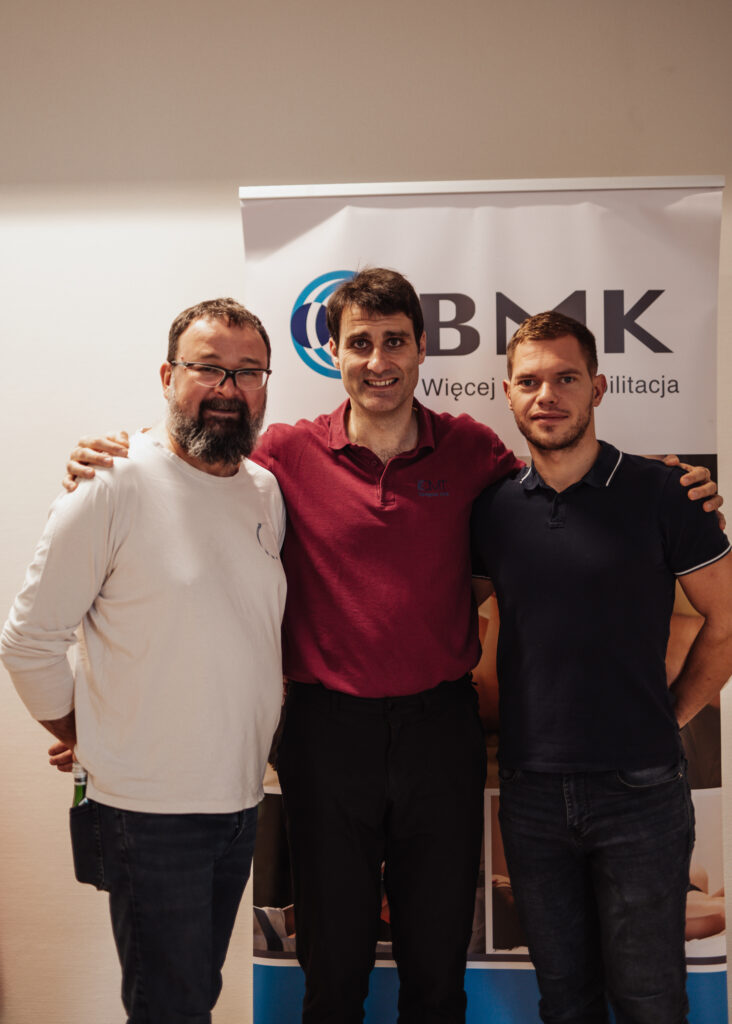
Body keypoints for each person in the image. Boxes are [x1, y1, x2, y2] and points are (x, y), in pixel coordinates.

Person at [61, 271, 721, 1024]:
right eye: (361, 343)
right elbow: (194, 469)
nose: (379, 360)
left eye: (395, 342)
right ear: (333, 354)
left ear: (421, 351)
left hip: (440, 729)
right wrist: (115, 453)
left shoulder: (472, 452)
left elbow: (566, 485)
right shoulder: (282, 454)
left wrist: (674, 483)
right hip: (325, 732)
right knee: (333, 970)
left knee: (437, 968)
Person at [1, 298, 287, 1024]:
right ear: (167, 376)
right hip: (148, 811)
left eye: (248, 371)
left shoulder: (264, 490)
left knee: (195, 995)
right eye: (208, 369)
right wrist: (85, 732)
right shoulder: (113, 484)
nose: (229, 388)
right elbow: (28, 640)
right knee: (171, 1007)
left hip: (238, 800)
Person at [470, 311, 732, 1024]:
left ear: (599, 388)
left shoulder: (664, 494)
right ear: (509, 393)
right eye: (530, 381)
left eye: (565, 378)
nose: (546, 394)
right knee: (565, 1002)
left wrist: (671, 714)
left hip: (640, 792)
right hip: (529, 794)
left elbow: (727, 620)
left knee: (650, 1002)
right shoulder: (492, 510)